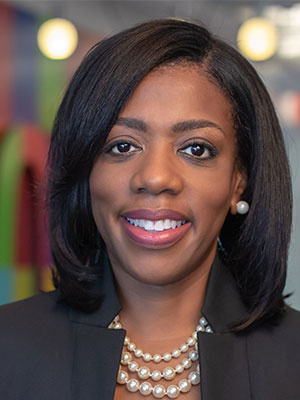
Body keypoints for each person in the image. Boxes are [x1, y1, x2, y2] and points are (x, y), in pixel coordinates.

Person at [0, 18, 299, 400]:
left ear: (238, 180)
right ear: (85, 169)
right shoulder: (7, 349)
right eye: (122, 146)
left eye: (196, 149)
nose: (156, 178)